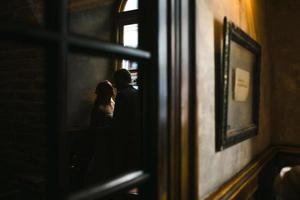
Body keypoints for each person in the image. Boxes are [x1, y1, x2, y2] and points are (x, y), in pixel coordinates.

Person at [112, 69, 141, 174]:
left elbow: (117, 120)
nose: (114, 83)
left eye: (116, 79)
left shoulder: (122, 95)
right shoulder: (137, 93)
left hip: (123, 138)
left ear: (121, 79)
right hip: (137, 136)